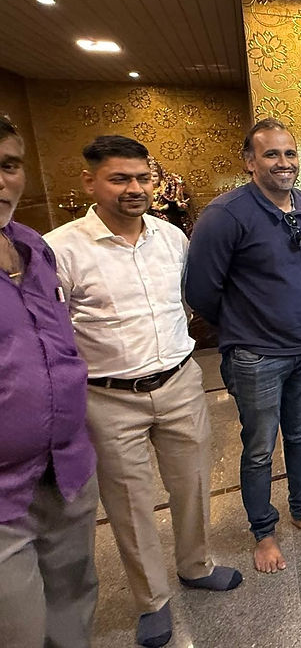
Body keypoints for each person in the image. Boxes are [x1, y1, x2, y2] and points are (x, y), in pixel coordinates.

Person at [44, 135, 243, 647]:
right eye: (119, 178)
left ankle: (197, 565)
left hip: (178, 382)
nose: (134, 188)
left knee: (193, 483)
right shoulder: (61, 248)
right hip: (108, 396)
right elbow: (52, 330)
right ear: (90, 181)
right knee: (130, 502)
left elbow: (189, 300)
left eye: (142, 178)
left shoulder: (171, 238)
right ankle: (152, 600)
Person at [184, 118, 301, 574]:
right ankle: (263, 531)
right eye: (271, 154)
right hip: (255, 356)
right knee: (259, 448)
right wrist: (245, 325)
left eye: (290, 153)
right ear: (250, 162)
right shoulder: (225, 215)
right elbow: (200, 291)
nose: (283, 163)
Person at [0, 115, 99, 647]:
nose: (0, 181)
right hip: (3, 493)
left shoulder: (33, 248)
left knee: (73, 602)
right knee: (18, 626)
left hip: (66, 468)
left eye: (8, 165)